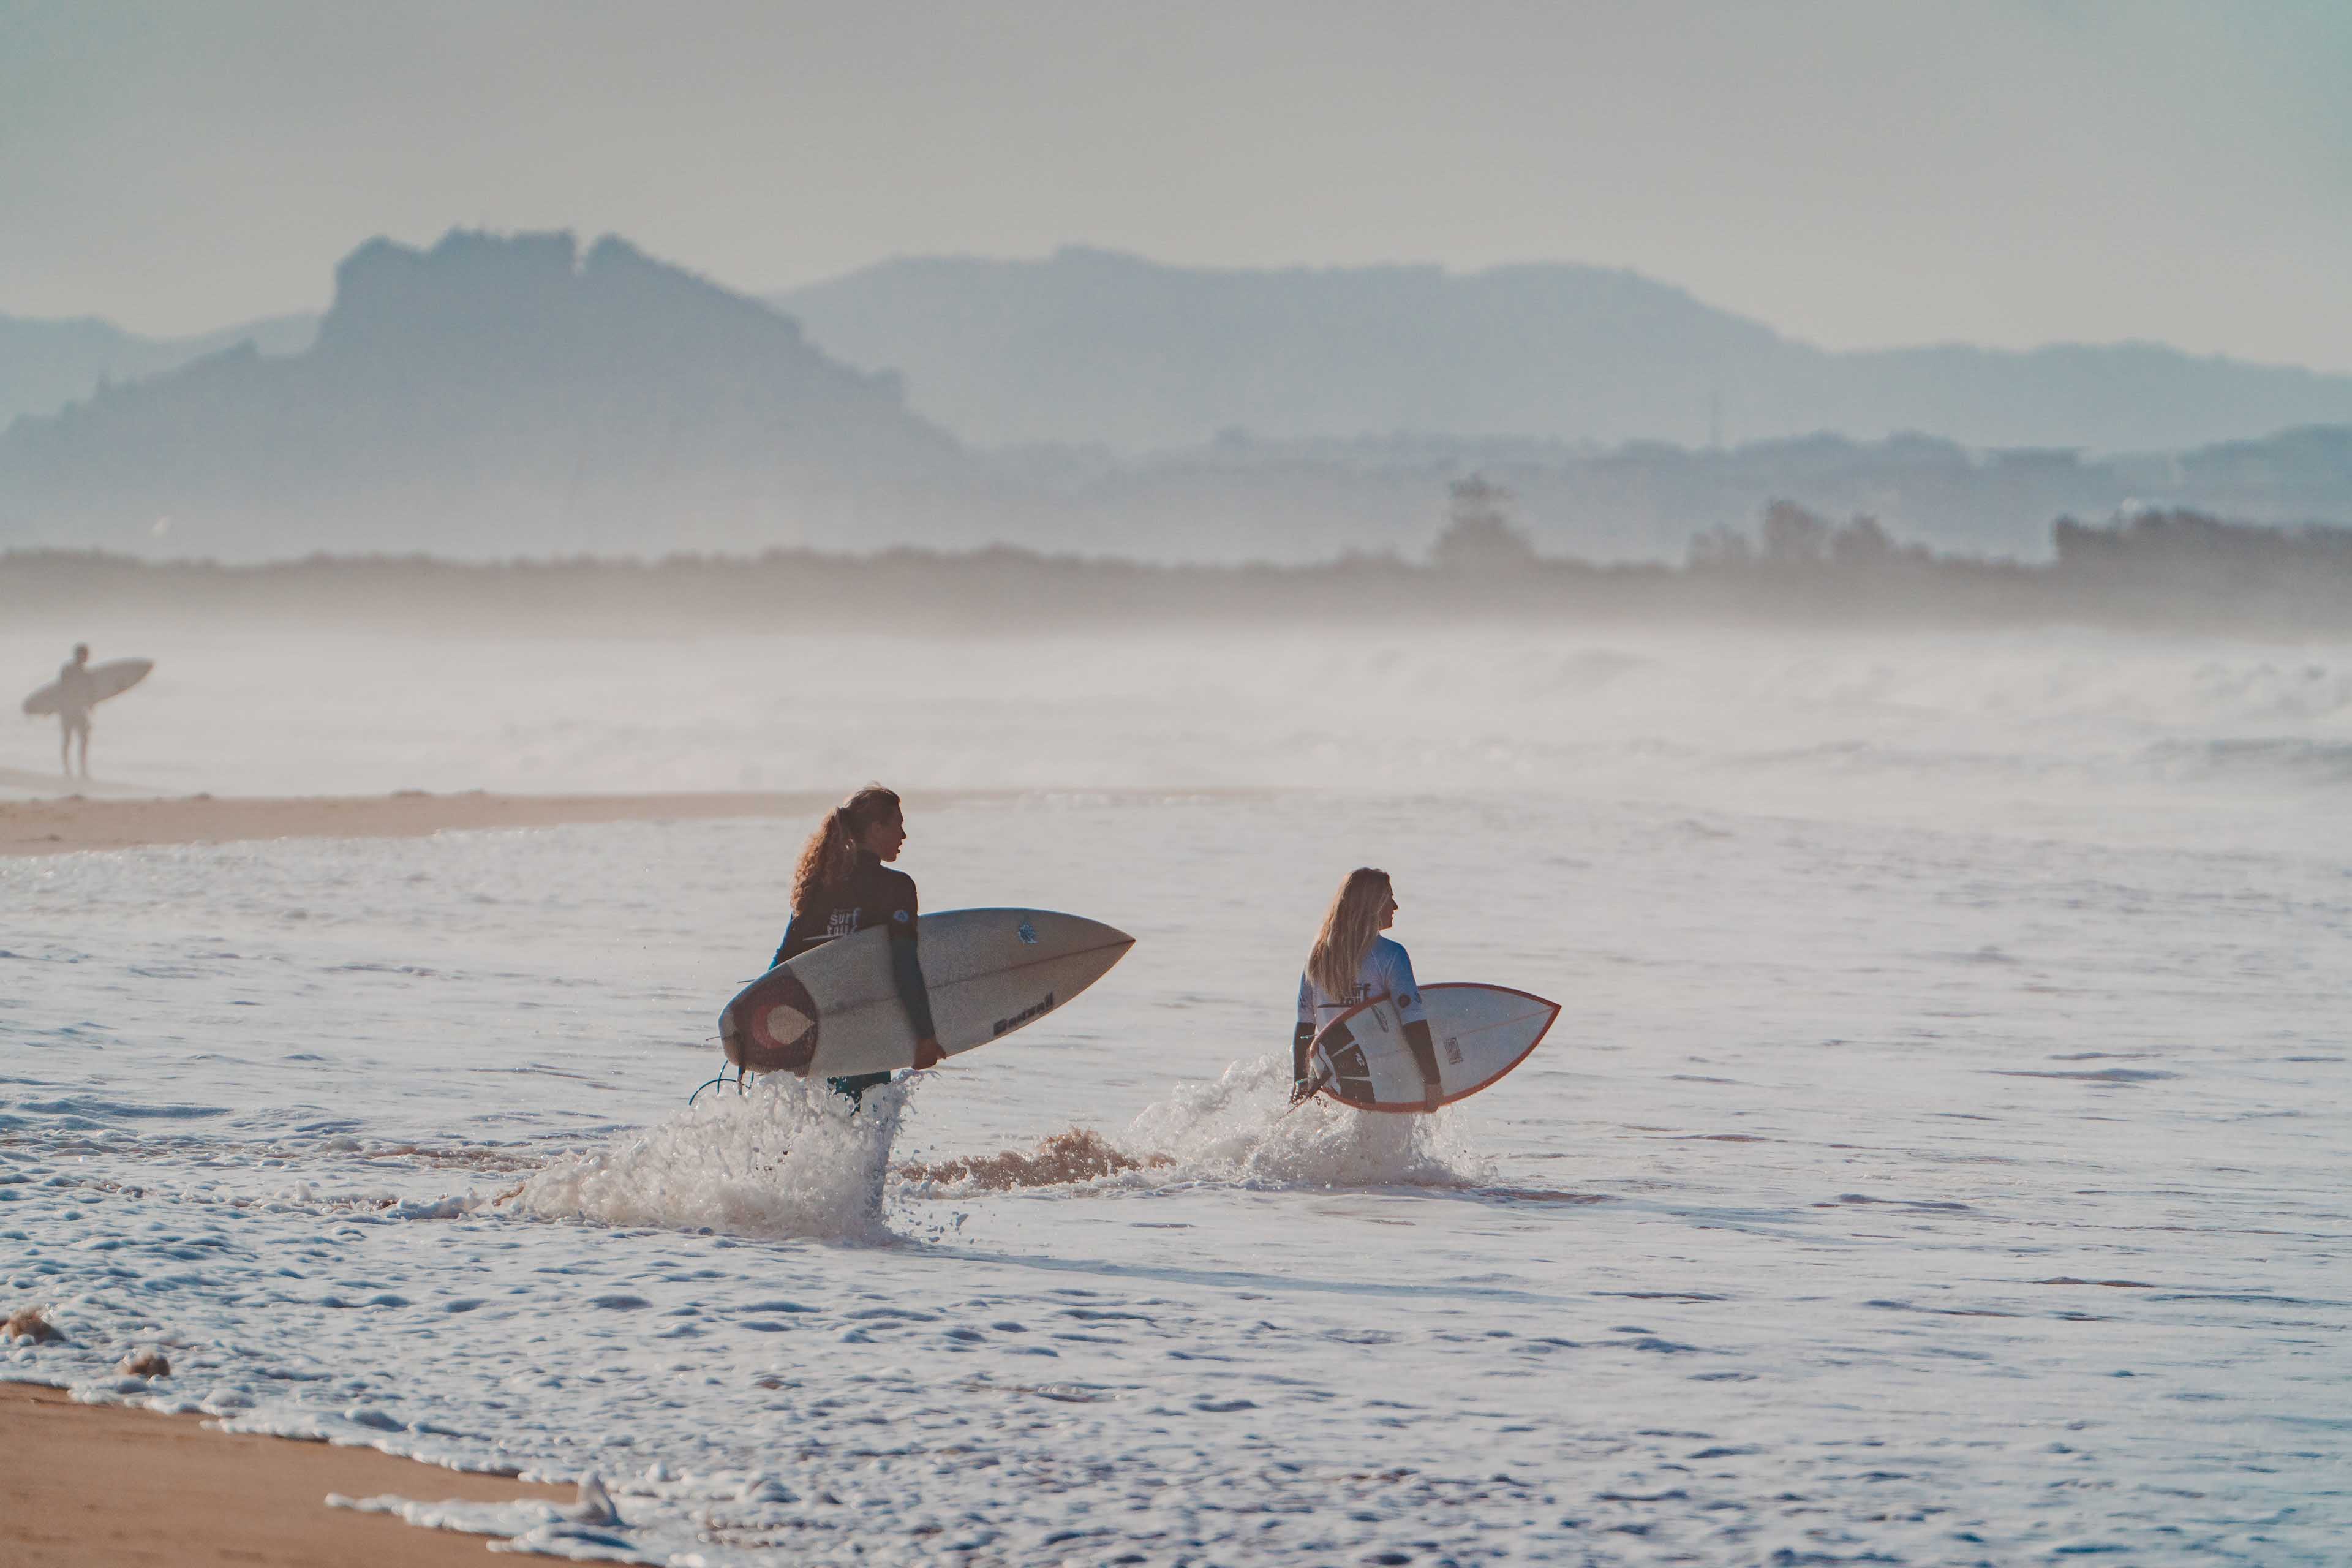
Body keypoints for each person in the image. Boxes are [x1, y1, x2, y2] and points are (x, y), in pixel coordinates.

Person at [769, 786, 943, 1106]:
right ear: (876, 829)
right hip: (865, 1031)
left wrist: (764, 1028)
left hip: (813, 1035)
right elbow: (904, 965)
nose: (903, 835)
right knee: (865, 1128)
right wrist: (925, 1036)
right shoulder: (896, 887)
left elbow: (781, 964)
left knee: (816, 1126)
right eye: (897, 825)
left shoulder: (817, 885)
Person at [1292, 867, 1444, 1112]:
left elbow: (1305, 1028)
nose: (1395, 907)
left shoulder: (1318, 956)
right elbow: (1413, 1022)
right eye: (1389, 899)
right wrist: (1433, 1081)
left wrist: (1300, 1083)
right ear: (1373, 905)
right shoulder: (1391, 955)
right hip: (1386, 1085)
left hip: (1334, 1089)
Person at [55, 644, 95, 781]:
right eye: (85, 654)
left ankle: (83, 769)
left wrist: (91, 705)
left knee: (84, 739)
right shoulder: (68, 670)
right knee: (67, 739)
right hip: (67, 710)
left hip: (79, 710)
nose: (87, 657)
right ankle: (67, 770)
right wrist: (56, 707)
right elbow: (61, 689)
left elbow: (90, 692)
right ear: (78, 655)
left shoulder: (86, 673)